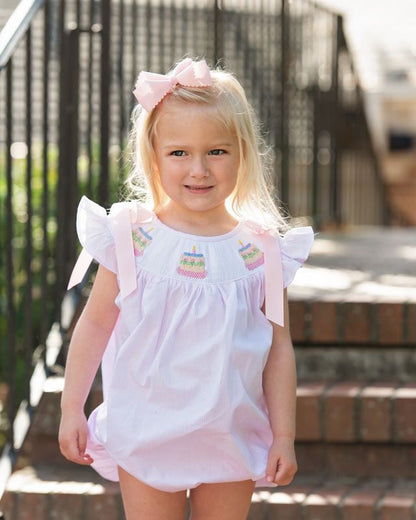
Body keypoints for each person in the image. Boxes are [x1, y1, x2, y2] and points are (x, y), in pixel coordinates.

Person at [59, 57, 314, 520]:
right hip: (147, 430)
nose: (199, 169)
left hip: (228, 435)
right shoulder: (132, 240)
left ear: (242, 154)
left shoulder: (260, 253)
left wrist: (283, 436)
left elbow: (278, 347)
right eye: (179, 153)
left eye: (217, 151)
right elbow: (95, 324)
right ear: (154, 158)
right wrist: (71, 407)